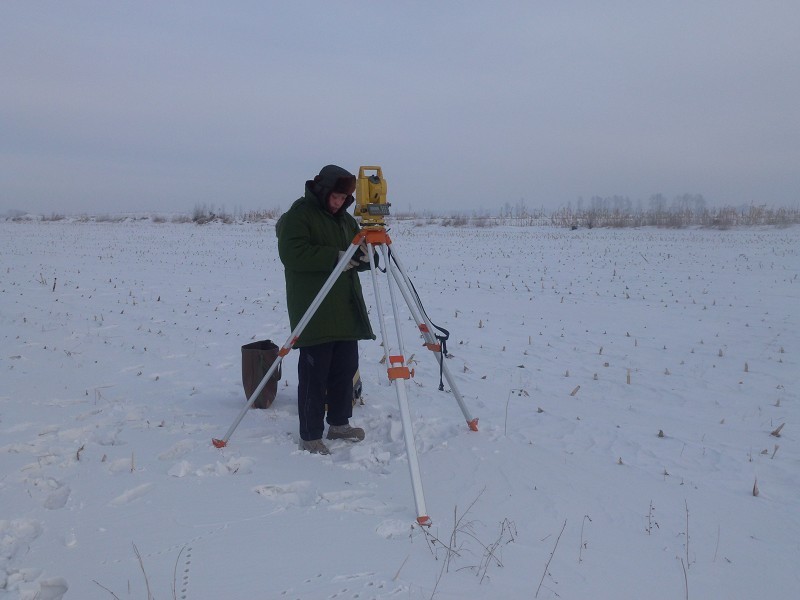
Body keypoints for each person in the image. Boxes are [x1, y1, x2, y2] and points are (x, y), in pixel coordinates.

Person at [276, 164, 376, 455]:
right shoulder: (299, 216)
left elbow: (356, 258)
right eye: (335, 197)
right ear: (321, 190)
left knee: (344, 370)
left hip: (345, 307)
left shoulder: (346, 221)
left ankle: (340, 423)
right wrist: (337, 256)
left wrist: (365, 256)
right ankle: (310, 434)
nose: (339, 203)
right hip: (314, 307)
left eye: (345, 199)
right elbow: (292, 254)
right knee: (315, 375)